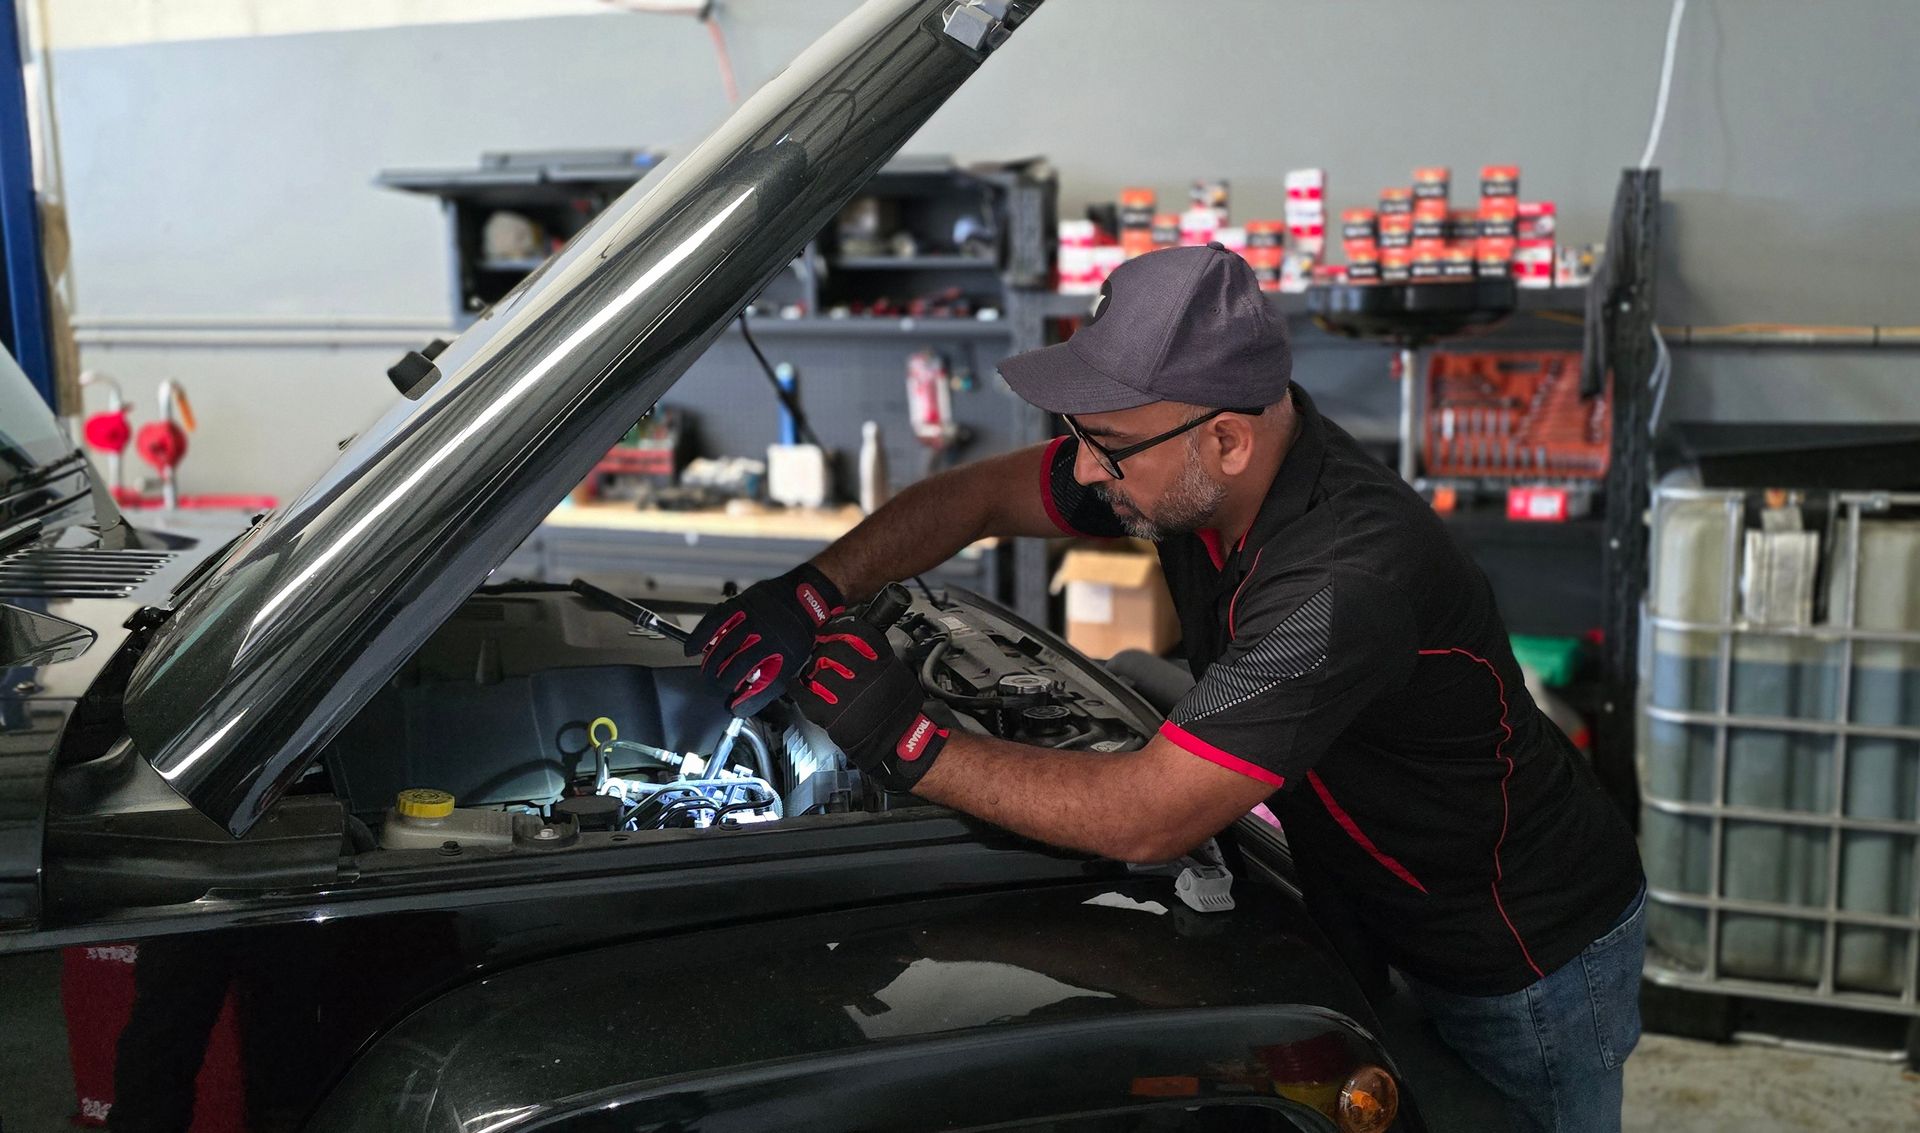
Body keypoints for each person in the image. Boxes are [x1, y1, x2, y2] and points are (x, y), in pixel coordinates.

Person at [687, 243, 1646, 1132]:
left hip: (1521, 951)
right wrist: (816, 588)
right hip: (1376, 894)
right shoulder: (1187, 464)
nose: (1086, 466)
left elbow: (1150, 816)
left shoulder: (1339, 583)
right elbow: (975, 495)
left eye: (1108, 443)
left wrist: (908, 743)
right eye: (1080, 432)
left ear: (1226, 441)